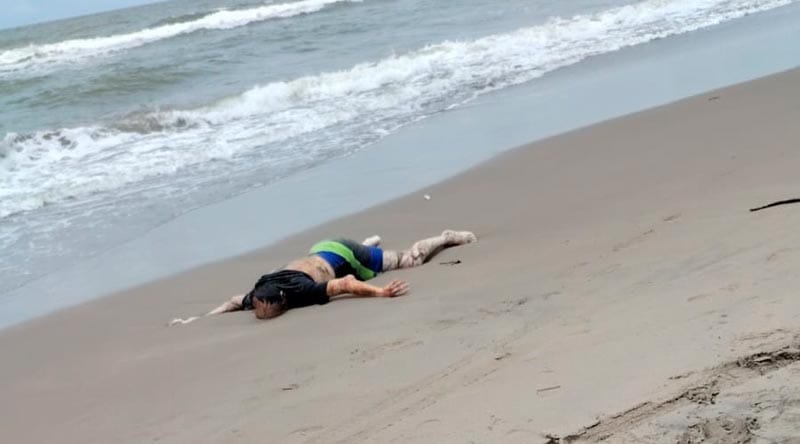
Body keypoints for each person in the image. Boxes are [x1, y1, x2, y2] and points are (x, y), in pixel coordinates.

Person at [169, 230, 476, 325]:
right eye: (260, 310)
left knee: (408, 261)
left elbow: (346, 284)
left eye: (265, 311)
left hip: (342, 254)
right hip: (319, 251)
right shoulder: (260, 291)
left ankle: (445, 237)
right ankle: (369, 246)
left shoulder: (301, 291)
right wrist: (198, 319)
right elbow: (234, 301)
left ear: (283, 302)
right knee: (366, 261)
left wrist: (382, 292)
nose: (260, 313)